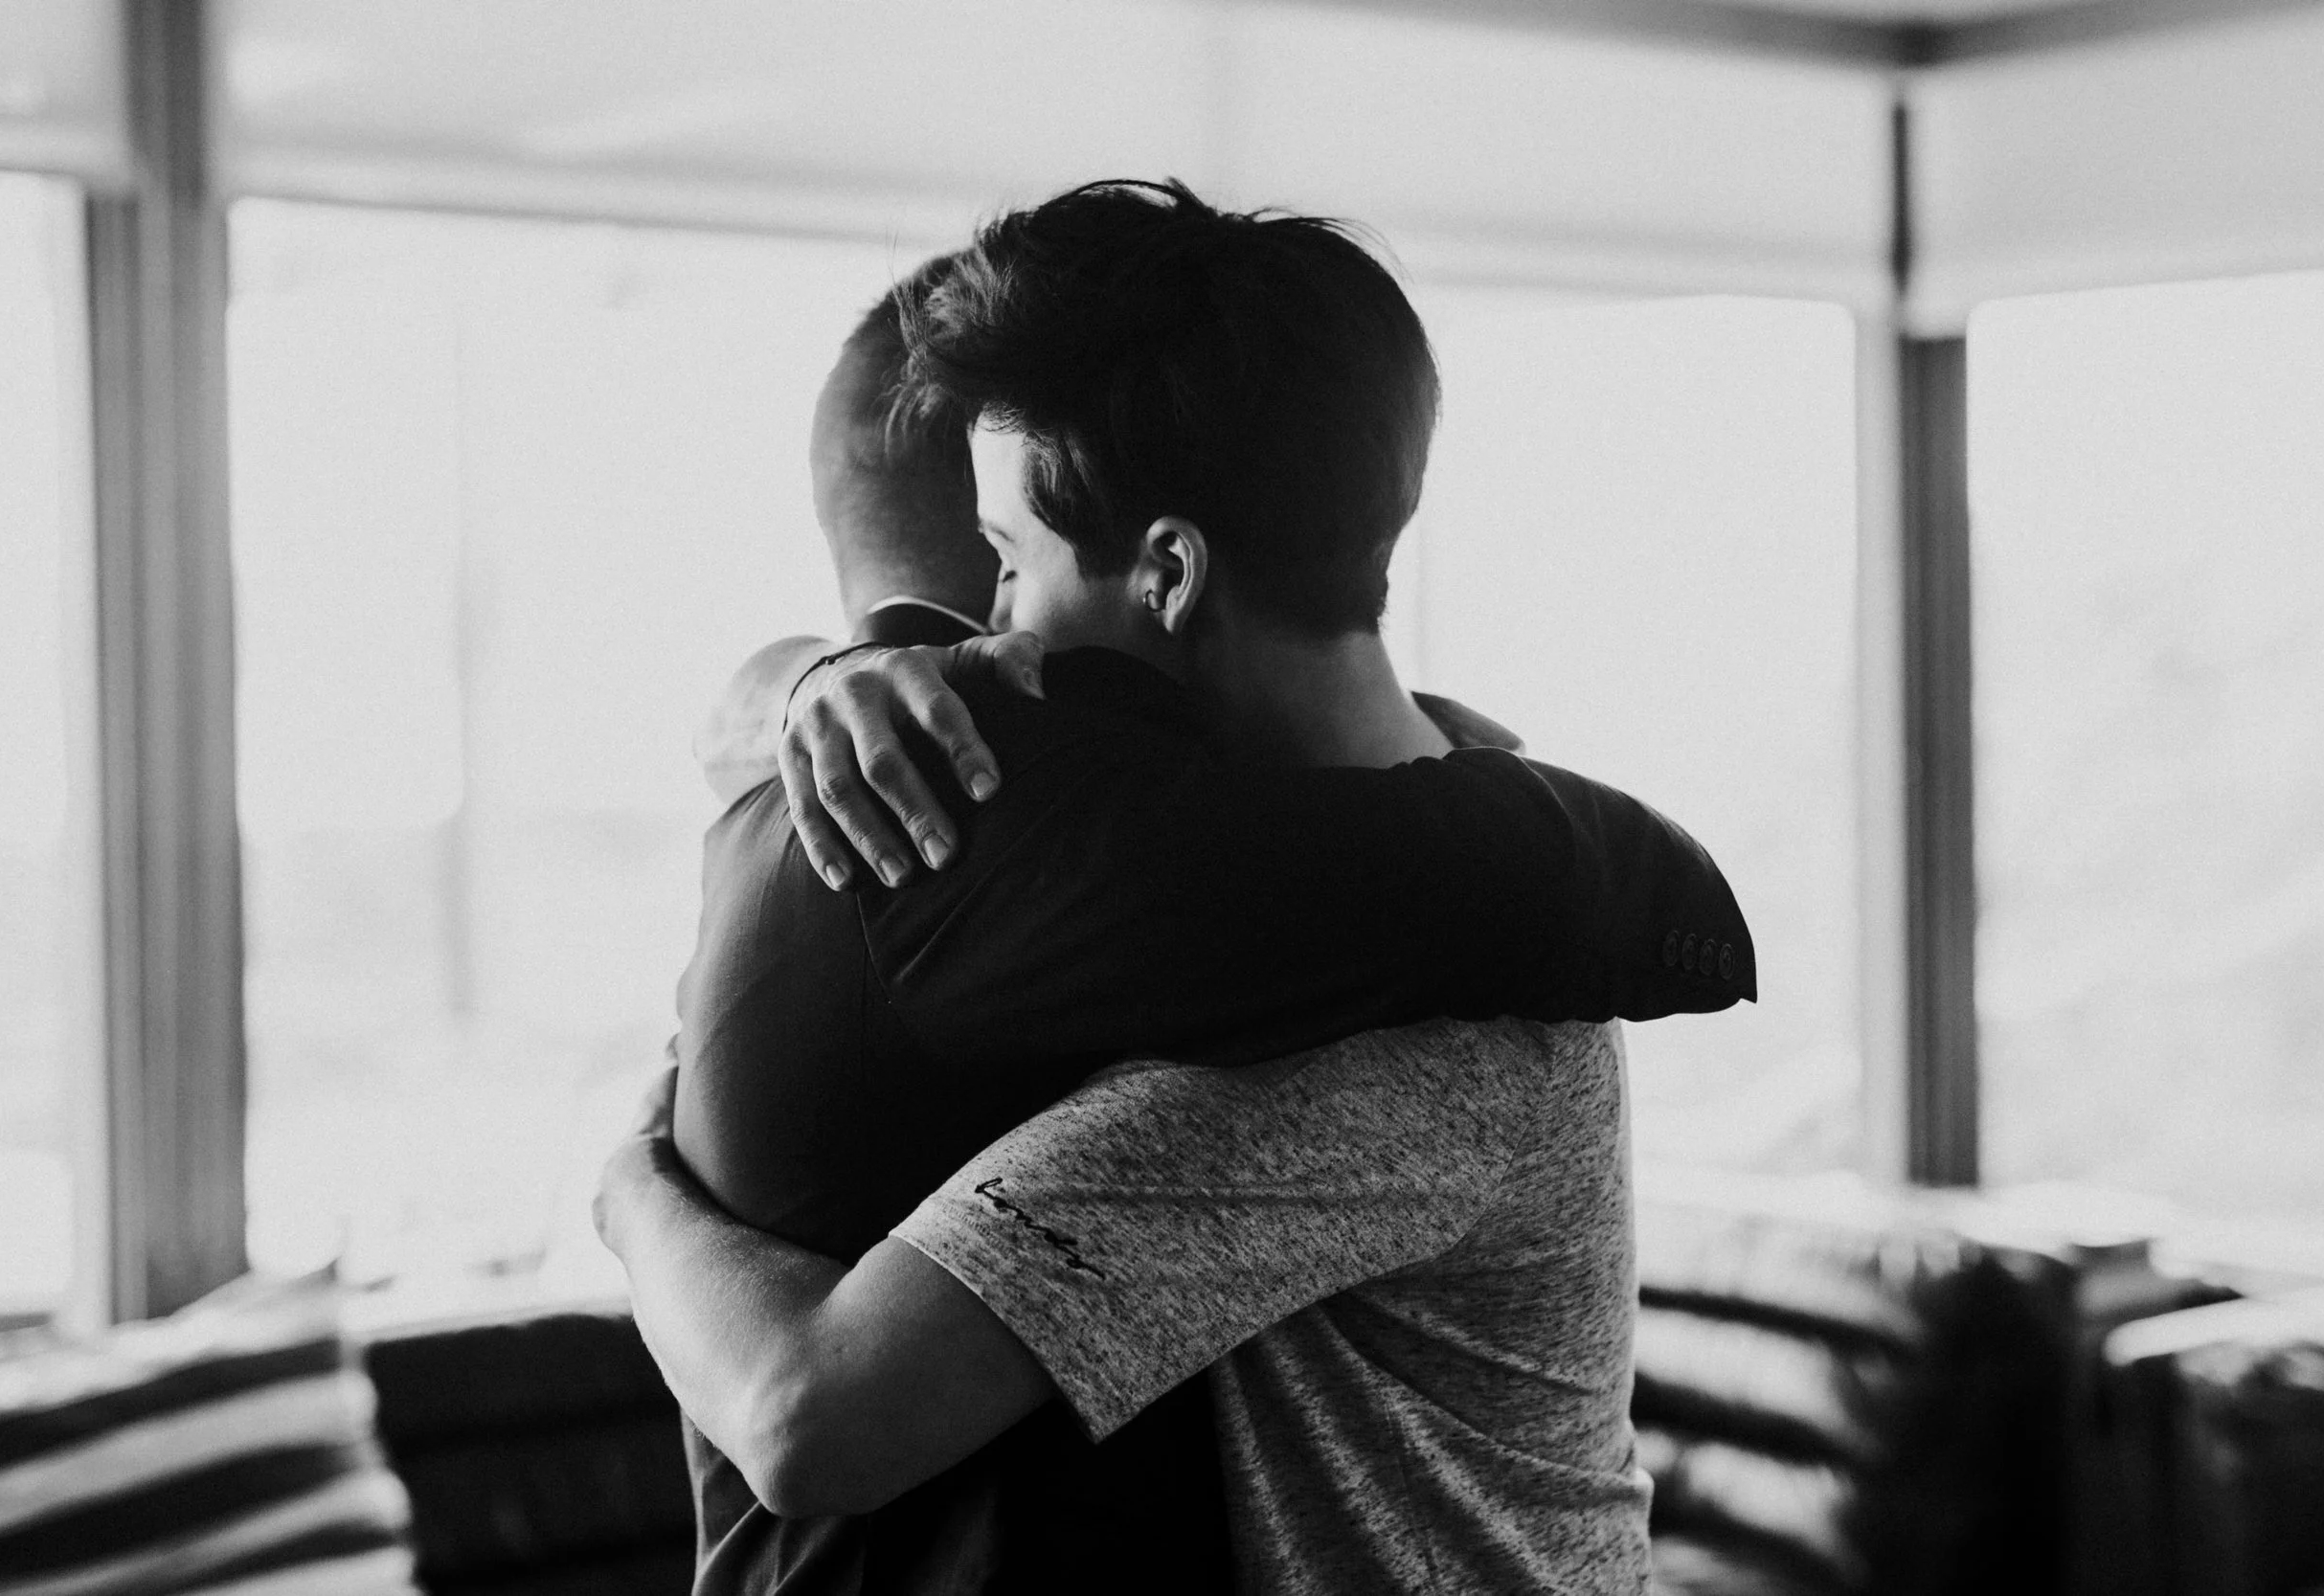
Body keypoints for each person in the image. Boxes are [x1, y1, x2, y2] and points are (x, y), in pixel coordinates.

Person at [598, 182, 1753, 1594]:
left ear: (1166, 572)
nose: (991, 631)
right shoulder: (1421, 784)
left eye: (1009, 562)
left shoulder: (1366, 1053)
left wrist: (626, 1187)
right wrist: (808, 677)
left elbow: (811, 1411)